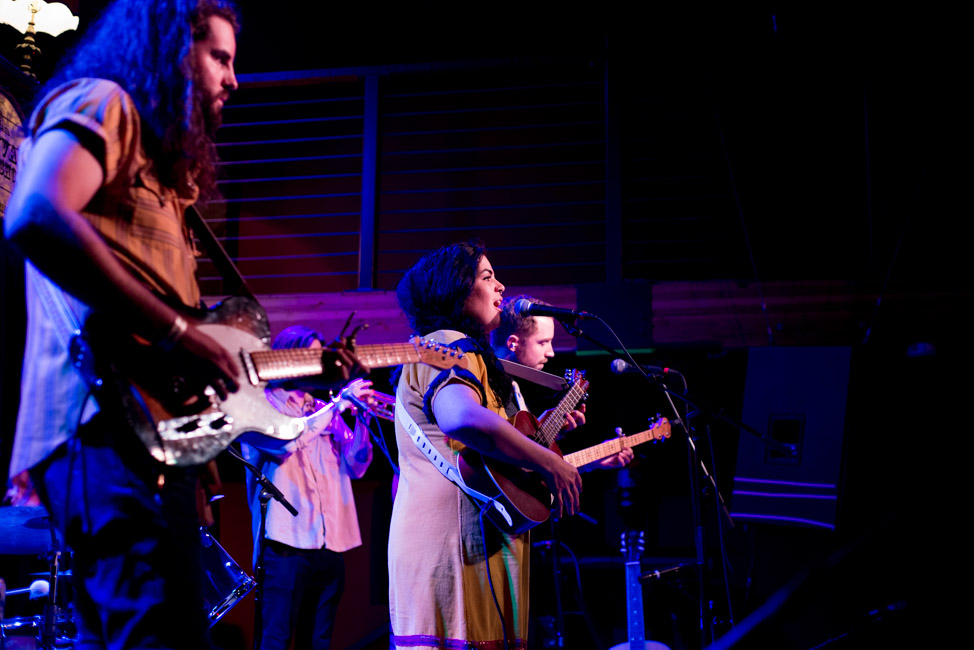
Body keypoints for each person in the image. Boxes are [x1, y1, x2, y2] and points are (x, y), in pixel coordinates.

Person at [2, 2, 360, 646]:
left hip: (150, 438)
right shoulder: (103, 101)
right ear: (170, 50)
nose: (234, 79)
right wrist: (181, 333)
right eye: (219, 57)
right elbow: (35, 214)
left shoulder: (169, 181)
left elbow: (185, 344)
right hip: (99, 423)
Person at [388, 240, 583, 649]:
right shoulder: (445, 343)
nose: (501, 287)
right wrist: (548, 461)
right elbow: (460, 418)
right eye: (487, 276)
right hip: (452, 543)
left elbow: (475, 442)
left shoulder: (461, 353)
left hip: (467, 542)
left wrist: (542, 436)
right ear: (456, 289)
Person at [240, 325, 375, 650]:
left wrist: (363, 419)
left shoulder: (321, 407)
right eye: (312, 357)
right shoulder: (263, 404)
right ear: (289, 358)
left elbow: (356, 467)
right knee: (276, 640)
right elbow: (286, 442)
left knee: (319, 641)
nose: (318, 365)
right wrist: (338, 406)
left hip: (330, 543)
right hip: (286, 542)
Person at [492, 295, 634, 471]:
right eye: (543, 342)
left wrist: (593, 462)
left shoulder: (514, 389)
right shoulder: (486, 384)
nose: (551, 352)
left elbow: (526, 473)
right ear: (513, 343)